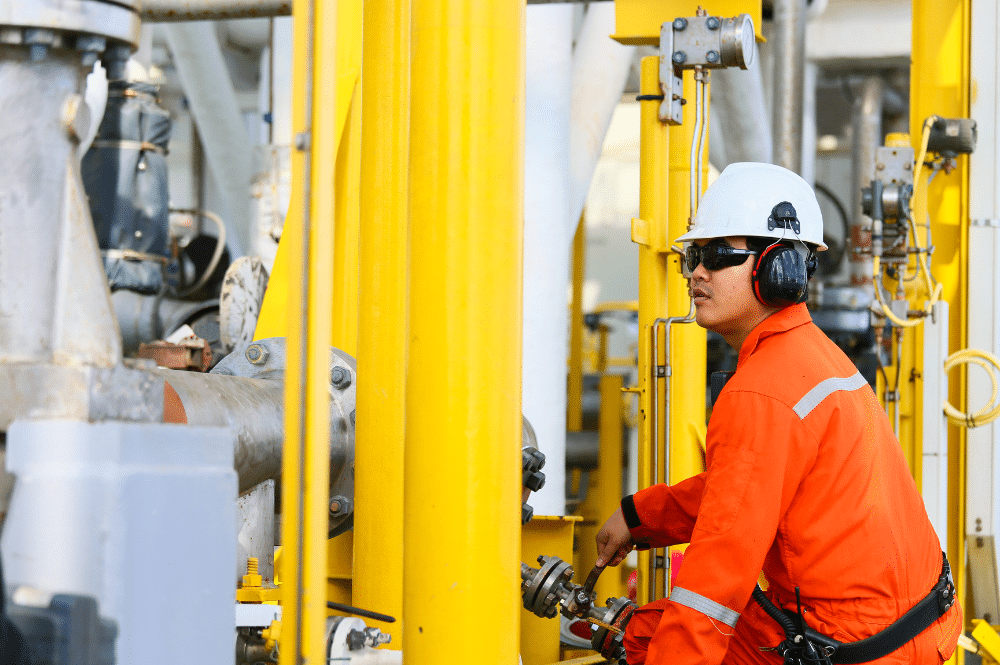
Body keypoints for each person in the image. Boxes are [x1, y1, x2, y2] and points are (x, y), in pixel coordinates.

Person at [594, 163, 962, 665]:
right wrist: (642, 518)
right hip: (922, 630)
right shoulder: (817, 356)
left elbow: (714, 583)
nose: (697, 272)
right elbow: (747, 487)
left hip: (854, 648)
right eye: (694, 256)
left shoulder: (760, 391)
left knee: (650, 637)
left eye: (720, 255)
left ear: (778, 269)